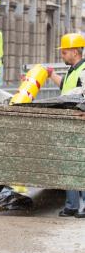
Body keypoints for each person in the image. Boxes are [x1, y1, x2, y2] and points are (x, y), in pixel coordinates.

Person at [48, 33, 85, 218]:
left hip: (79, 123)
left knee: (81, 164)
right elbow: (66, 88)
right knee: (68, 164)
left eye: (64, 52)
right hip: (68, 122)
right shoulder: (72, 70)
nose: (62, 55)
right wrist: (50, 74)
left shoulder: (84, 70)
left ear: (75, 52)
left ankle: (84, 206)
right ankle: (72, 205)